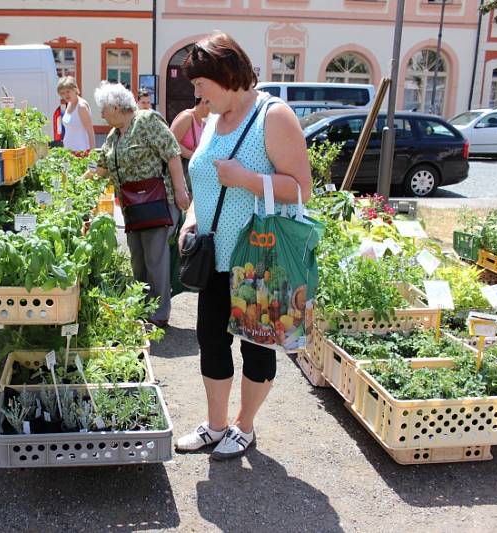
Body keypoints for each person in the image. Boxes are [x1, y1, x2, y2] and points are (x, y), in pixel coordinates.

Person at [174, 33, 311, 460]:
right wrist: (192, 218)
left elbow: (301, 189)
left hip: (258, 260)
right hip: (215, 256)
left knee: (256, 347)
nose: (196, 93)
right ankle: (216, 425)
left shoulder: (273, 115)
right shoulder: (215, 119)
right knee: (211, 342)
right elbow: (205, 180)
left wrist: (248, 180)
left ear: (227, 74)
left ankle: (244, 426)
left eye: (201, 85)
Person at [89, 81, 190, 327]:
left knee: (155, 259)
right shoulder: (113, 135)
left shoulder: (146, 121)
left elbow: (172, 153)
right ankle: (142, 306)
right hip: (133, 208)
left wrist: (180, 191)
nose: (101, 114)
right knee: (138, 258)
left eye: (103, 109)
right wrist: (75, 186)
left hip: (158, 203)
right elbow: (100, 168)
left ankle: (159, 313)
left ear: (115, 106)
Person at [169, 96, 209, 193]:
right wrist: (193, 155)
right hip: (180, 176)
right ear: (203, 102)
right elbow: (171, 143)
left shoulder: (204, 123)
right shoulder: (186, 117)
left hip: (192, 177)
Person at [57, 77, 95, 151]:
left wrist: (92, 153)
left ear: (75, 89)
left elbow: (90, 132)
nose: (66, 95)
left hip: (81, 152)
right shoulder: (69, 104)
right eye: (62, 93)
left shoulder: (81, 107)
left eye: (68, 91)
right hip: (69, 151)